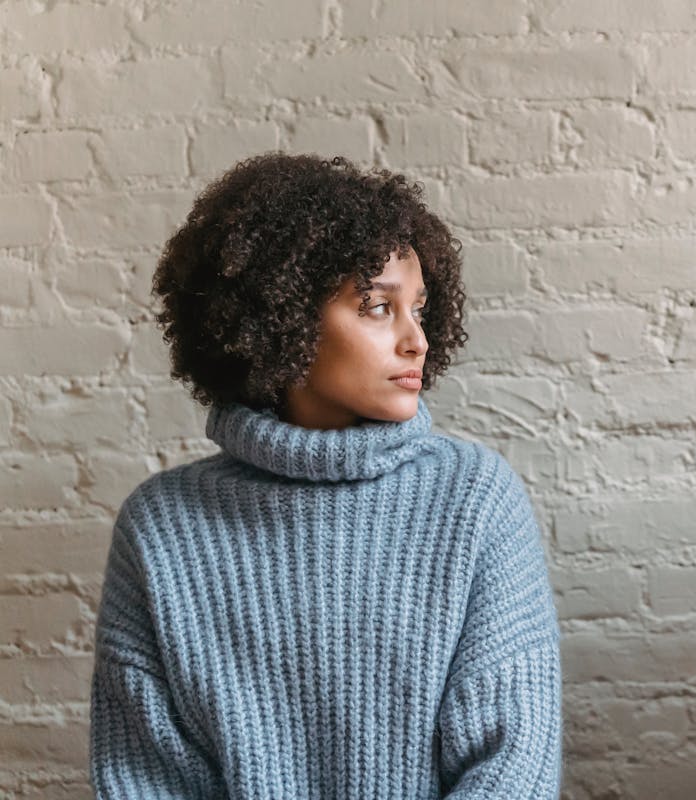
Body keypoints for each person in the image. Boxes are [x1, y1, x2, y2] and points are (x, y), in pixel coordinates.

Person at [90, 154, 562, 798]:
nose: (416, 340)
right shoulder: (162, 528)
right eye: (375, 306)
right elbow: (145, 778)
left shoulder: (475, 499)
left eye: (418, 308)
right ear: (277, 315)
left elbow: (514, 765)